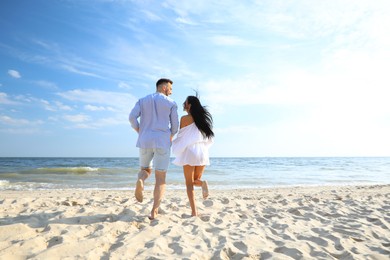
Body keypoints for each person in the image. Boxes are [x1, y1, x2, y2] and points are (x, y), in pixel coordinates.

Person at [129, 78, 179, 220]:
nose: (171, 91)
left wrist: (140, 130)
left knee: (145, 170)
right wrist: (171, 135)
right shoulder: (171, 103)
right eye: (170, 88)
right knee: (160, 178)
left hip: (145, 140)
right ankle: (154, 211)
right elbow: (175, 125)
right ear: (164, 87)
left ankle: (141, 180)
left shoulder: (142, 100)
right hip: (162, 140)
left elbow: (132, 117)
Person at [172, 95, 214, 217]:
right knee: (196, 180)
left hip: (190, 151)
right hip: (202, 151)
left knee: (189, 184)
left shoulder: (184, 119)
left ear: (189, 105)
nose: (183, 104)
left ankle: (194, 212)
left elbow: (181, 136)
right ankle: (202, 183)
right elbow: (209, 137)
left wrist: (175, 146)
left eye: (185, 102)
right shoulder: (203, 120)